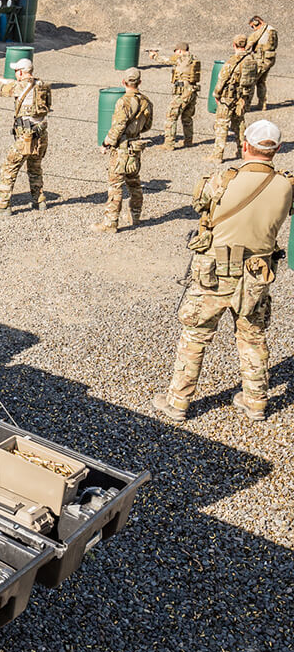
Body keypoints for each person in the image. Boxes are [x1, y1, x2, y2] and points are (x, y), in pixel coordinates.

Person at [152, 119, 293, 423]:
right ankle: (256, 402)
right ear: (278, 149)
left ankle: (178, 403)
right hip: (256, 275)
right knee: (252, 336)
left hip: (213, 272)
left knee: (195, 336)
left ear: (244, 145)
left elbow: (199, 205)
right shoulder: (287, 185)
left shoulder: (221, 180)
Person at [0, 58, 52, 214]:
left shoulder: (21, 86)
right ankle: (39, 201)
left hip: (25, 137)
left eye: (16, 71)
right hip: (41, 135)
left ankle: (3, 206)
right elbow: (11, 83)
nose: (15, 74)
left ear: (21, 72)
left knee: (9, 168)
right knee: (35, 168)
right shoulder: (39, 84)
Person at [91, 67, 153, 233]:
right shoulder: (146, 101)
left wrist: (106, 143)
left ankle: (110, 223)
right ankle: (135, 216)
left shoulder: (123, 102)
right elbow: (148, 126)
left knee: (115, 186)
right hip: (135, 147)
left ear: (123, 82)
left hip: (121, 149)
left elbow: (118, 126)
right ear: (139, 82)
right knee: (134, 182)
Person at [210, 35, 258, 161]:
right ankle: (243, 152)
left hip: (228, 98)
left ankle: (217, 155)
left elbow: (222, 79)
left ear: (234, 45)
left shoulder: (233, 61)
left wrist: (216, 94)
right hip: (242, 98)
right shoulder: (252, 60)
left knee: (222, 124)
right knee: (240, 124)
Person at [147, 42, 200, 150]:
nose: (175, 53)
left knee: (171, 116)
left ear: (180, 51)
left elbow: (165, 60)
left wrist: (154, 56)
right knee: (187, 117)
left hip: (183, 92)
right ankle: (188, 141)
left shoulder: (180, 58)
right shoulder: (194, 58)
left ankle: (169, 144)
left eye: (176, 51)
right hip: (192, 91)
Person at [247, 15, 278, 109]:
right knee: (261, 81)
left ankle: (246, 105)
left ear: (258, 22)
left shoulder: (262, 31)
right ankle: (262, 104)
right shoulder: (272, 29)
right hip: (269, 59)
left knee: (251, 81)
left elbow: (250, 44)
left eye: (253, 26)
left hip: (262, 59)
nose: (253, 29)